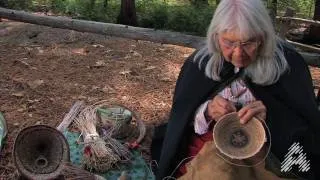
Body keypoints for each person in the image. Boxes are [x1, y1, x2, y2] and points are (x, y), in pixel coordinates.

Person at [151, 0, 320, 179]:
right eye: (229, 42)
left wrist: (270, 121)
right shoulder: (199, 65)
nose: (238, 54)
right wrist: (206, 111)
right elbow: (180, 121)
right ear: (216, 36)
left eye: (249, 43)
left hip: (271, 156)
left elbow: (306, 136)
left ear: (263, 37)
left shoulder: (288, 65)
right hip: (206, 150)